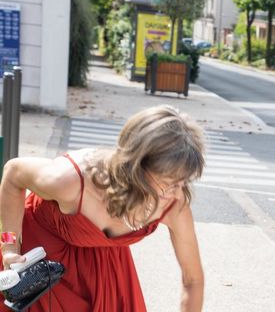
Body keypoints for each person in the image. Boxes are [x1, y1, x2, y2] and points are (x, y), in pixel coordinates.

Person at [0, 105, 206, 311]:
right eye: (169, 184)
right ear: (137, 169)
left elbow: (193, 280)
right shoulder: (68, 181)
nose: (178, 194)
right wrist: (9, 247)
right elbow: (13, 173)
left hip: (103, 267)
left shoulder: (174, 204)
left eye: (183, 183)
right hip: (44, 254)